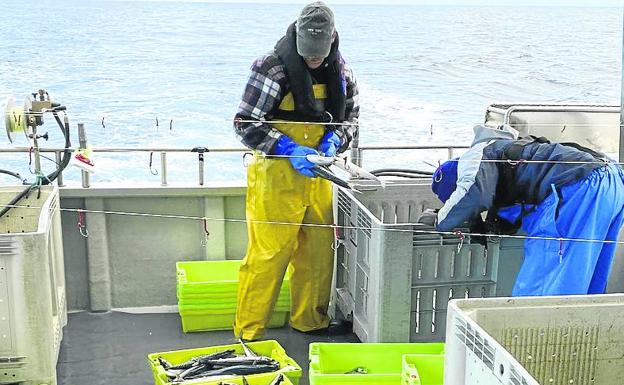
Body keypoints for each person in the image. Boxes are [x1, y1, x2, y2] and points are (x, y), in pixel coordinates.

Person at [232, 1, 359, 341]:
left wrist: (336, 140)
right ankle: (249, 330)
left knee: (318, 256)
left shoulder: (343, 72)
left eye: (319, 52)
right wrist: (289, 150)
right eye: (307, 52)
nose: (313, 59)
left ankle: (310, 322)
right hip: (276, 177)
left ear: (332, 40)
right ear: (297, 38)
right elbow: (245, 123)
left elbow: (351, 121)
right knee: (268, 255)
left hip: (320, 177)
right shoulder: (270, 68)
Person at [420, 124, 624, 296]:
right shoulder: (511, 152)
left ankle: (539, 340)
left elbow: (472, 194)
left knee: (544, 285)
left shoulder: (473, 157)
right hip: (612, 180)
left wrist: (440, 220)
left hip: (579, 188)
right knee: (588, 280)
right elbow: (513, 204)